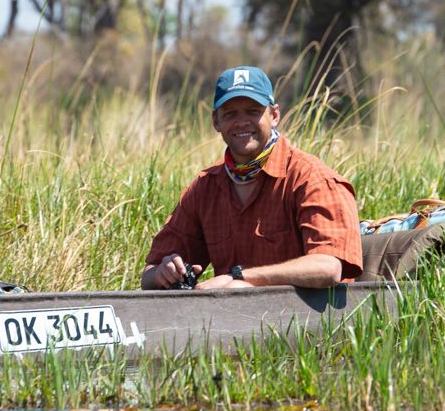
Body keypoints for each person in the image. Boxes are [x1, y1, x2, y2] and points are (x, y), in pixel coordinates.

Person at [141, 66, 362, 290]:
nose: (242, 122)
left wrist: (240, 279)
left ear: (274, 115)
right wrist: (163, 272)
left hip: (312, 322)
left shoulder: (311, 177)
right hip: (231, 319)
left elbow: (328, 268)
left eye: (253, 111)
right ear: (216, 121)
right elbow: (148, 276)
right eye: (230, 114)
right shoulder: (204, 187)